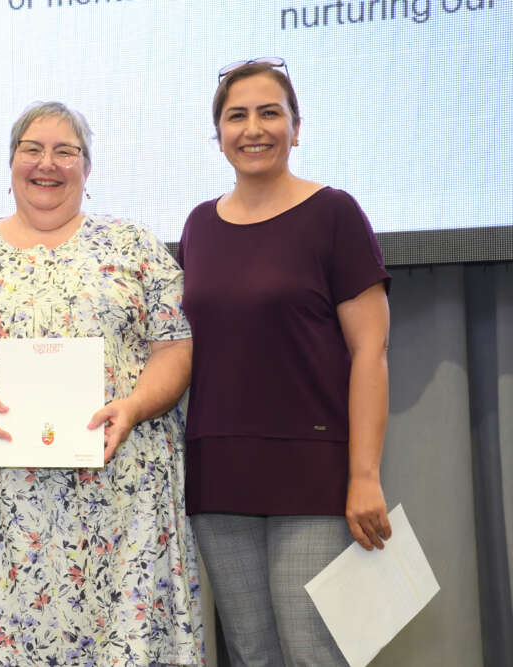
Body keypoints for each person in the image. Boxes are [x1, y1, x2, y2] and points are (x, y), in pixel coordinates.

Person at [0, 101, 203, 666]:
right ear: (11, 162)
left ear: (87, 167)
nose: (49, 164)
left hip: (119, 503)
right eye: (32, 150)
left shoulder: (137, 251)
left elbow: (173, 349)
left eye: (66, 151)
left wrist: (135, 406)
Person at [177, 58, 392, 666]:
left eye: (270, 112)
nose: (254, 128)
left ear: (296, 128)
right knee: (250, 653)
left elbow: (370, 353)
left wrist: (364, 475)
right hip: (219, 475)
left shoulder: (335, 214)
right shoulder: (198, 226)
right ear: (218, 134)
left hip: (313, 474)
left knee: (311, 649)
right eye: (236, 115)